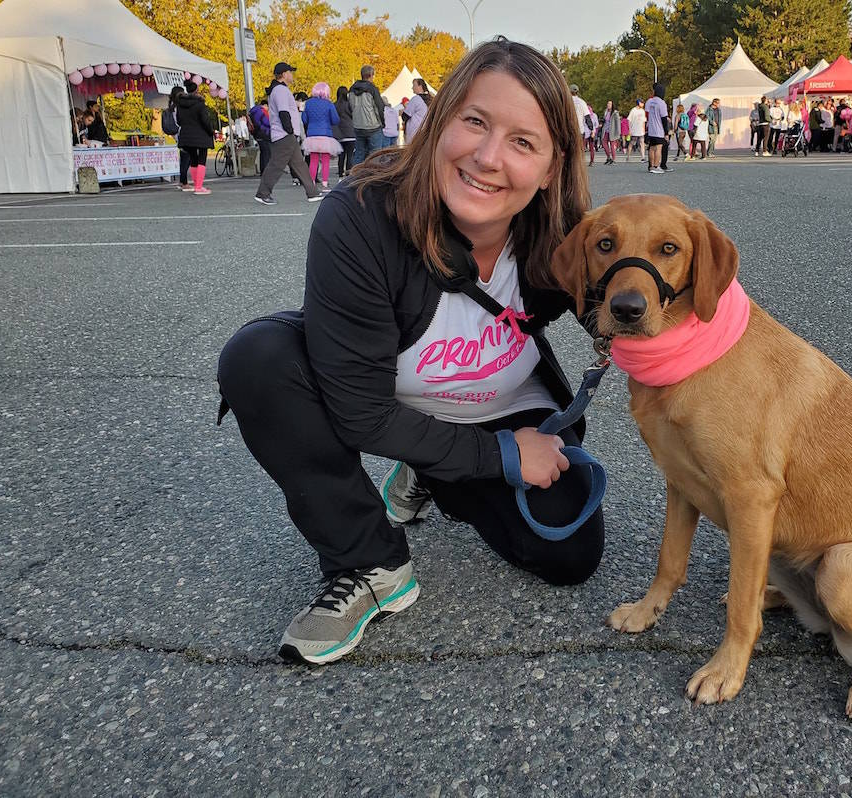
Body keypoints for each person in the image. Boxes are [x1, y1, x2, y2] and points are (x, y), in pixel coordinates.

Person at [217, 38, 602, 666]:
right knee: (258, 360)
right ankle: (368, 560)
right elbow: (361, 413)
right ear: (439, 118)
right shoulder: (361, 216)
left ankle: (430, 471)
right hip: (389, 406)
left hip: (502, 408)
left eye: (523, 142)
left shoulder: (564, 233)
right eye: (474, 121)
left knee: (569, 553)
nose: (487, 157)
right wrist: (502, 456)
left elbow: (641, 322)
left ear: (554, 166)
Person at [254, 62, 324, 206]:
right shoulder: (280, 90)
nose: (292, 75)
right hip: (284, 134)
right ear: (284, 74)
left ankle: (312, 192)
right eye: (290, 72)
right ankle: (263, 193)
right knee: (277, 164)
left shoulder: (279, 89)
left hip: (284, 134)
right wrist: (290, 130)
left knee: (299, 164)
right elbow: (283, 112)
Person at [175, 80, 215, 195]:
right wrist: (211, 131)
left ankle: (196, 184)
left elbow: (178, 121)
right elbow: (205, 121)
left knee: (193, 159)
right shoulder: (200, 104)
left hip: (187, 135)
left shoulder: (180, 105)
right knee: (202, 159)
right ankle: (199, 186)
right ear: (197, 90)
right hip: (201, 135)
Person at [301, 82, 342, 188]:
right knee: (325, 160)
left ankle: (312, 183)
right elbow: (335, 120)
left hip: (312, 135)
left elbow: (304, 119)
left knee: (313, 159)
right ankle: (324, 183)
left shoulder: (308, 103)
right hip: (325, 134)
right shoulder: (329, 104)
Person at [348, 65, 386, 166]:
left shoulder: (352, 89)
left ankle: (356, 177)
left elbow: (350, 107)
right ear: (371, 75)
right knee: (375, 154)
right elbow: (379, 107)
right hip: (373, 126)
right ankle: (373, 176)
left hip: (358, 126)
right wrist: (382, 122)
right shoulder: (372, 89)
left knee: (359, 154)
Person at [164, 87, 190, 190]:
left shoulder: (172, 106)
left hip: (177, 134)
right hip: (183, 133)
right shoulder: (180, 107)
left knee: (184, 157)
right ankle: (184, 182)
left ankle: (182, 181)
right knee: (187, 158)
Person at [645, 83, 669, 174]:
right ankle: (656, 166)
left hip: (651, 129)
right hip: (659, 129)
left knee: (651, 148)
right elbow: (664, 119)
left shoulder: (649, 101)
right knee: (659, 148)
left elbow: (646, 114)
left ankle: (651, 166)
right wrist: (666, 133)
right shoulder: (661, 103)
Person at [333, 86, 355, 177]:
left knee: (341, 156)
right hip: (350, 133)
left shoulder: (334, 105)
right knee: (350, 156)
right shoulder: (349, 104)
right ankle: (348, 173)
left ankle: (340, 172)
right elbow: (353, 116)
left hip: (339, 134)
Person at [248, 95, 272, 173]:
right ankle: (266, 170)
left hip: (257, 134)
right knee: (267, 152)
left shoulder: (253, 111)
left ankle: (263, 170)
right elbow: (266, 122)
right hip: (264, 133)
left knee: (263, 152)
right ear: (265, 105)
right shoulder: (261, 111)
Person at [600, 101, 619, 165]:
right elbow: (605, 120)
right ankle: (608, 157)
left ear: (612, 105)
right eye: (607, 103)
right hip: (605, 130)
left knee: (612, 145)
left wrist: (618, 132)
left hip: (612, 131)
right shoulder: (606, 112)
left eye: (610, 104)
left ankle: (613, 159)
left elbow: (618, 123)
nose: (608, 105)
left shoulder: (615, 113)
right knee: (604, 143)